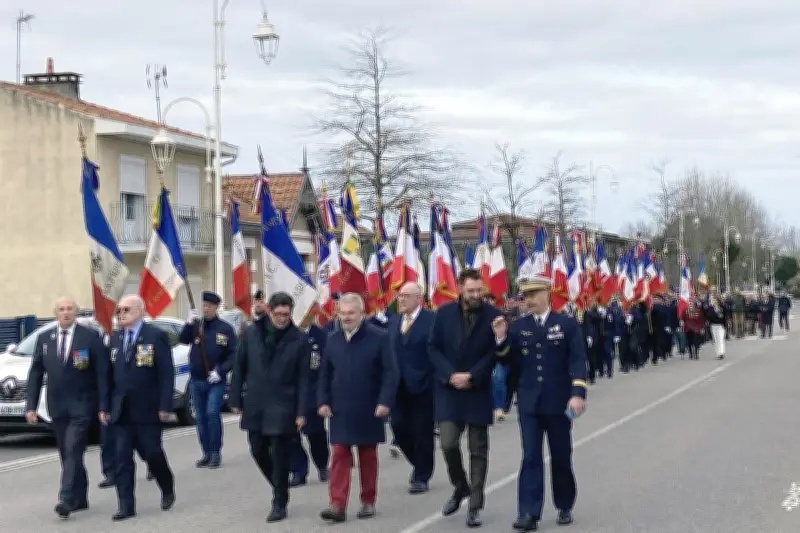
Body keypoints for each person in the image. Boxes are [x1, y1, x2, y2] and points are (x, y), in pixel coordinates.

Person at [494, 275, 588, 531]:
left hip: (558, 402)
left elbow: (577, 360)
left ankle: (564, 503)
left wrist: (577, 393)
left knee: (560, 455)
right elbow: (507, 361)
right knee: (530, 457)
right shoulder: (519, 327)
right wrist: (501, 339)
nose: (530, 299)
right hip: (530, 403)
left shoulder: (566, 325)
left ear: (548, 293)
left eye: (534, 294)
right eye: (526, 295)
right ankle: (528, 512)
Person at [428, 268, 508, 528]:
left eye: (479, 290)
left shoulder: (494, 316)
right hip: (449, 389)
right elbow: (433, 347)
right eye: (471, 290)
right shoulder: (443, 314)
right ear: (460, 288)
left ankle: (475, 504)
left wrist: (472, 376)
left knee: (478, 450)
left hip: (477, 389)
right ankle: (460, 485)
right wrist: (450, 375)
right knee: (448, 443)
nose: (476, 295)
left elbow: (494, 354)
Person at [229, 291, 310, 523]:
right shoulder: (251, 333)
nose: (283, 318)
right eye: (278, 314)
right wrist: (235, 398)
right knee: (257, 449)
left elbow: (304, 379)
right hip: (256, 402)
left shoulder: (299, 339)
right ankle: (279, 484)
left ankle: (279, 502)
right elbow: (240, 366)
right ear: (269, 311)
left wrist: (301, 411)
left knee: (280, 453)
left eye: (286, 314)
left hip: (284, 404)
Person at [25, 297, 109, 519]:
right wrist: (31, 406)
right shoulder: (45, 338)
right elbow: (36, 374)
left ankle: (66, 498)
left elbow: (102, 373)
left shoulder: (89, 337)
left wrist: (103, 405)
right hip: (57, 406)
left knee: (73, 448)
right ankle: (80, 497)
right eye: (61, 309)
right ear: (56, 313)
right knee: (67, 452)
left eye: (70, 309)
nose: (66, 312)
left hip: (82, 404)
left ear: (76, 312)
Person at [318, 293, 398, 523]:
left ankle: (368, 500)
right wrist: (323, 401)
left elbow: (390, 373)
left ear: (362, 313)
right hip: (340, 408)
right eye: (342, 313)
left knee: (367, 455)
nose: (346, 317)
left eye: (351, 313)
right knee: (339, 454)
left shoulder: (379, 337)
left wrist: (385, 401)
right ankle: (337, 504)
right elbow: (324, 374)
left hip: (369, 407)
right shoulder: (332, 339)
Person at [108, 295, 175, 521]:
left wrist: (165, 405)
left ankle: (166, 485)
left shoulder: (155, 336)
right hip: (121, 410)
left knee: (152, 453)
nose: (121, 314)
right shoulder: (115, 338)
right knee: (122, 459)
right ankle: (126, 506)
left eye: (126, 310)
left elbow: (166, 374)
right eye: (119, 310)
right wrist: (105, 406)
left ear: (140, 311)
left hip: (148, 407)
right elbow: (109, 375)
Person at [180, 291, 237, 469]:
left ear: (216, 307)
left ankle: (215, 452)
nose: (206, 309)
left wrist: (221, 371)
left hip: (215, 381)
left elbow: (233, 355)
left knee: (212, 413)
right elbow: (183, 339)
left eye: (210, 306)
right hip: (197, 379)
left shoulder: (225, 329)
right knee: (200, 418)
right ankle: (206, 452)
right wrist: (188, 324)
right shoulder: (197, 326)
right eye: (204, 306)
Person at [389, 282, 436, 494]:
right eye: (400, 295)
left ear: (419, 299)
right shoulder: (394, 321)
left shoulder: (431, 320)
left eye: (406, 296)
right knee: (398, 426)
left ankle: (422, 475)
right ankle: (419, 463)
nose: (401, 299)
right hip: (398, 387)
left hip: (424, 386)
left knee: (422, 432)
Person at [288, 321, 330, 487]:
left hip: (313, 391)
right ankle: (298, 471)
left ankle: (322, 464)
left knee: (315, 433)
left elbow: (325, 366)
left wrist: (324, 394)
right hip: (290, 392)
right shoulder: (287, 334)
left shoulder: (321, 335)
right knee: (290, 435)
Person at [703, 293, 727, 360]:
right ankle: (718, 354)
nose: (713, 301)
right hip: (713, 326)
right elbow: (707, 316)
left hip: (721, 326)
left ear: (717, 300)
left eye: (714, 300)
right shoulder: (710, 308)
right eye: (712, 300)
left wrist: (725, 324)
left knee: (721, 339)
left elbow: (725, 316)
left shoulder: (722, 307)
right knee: (716, 340)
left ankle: (721, 353)